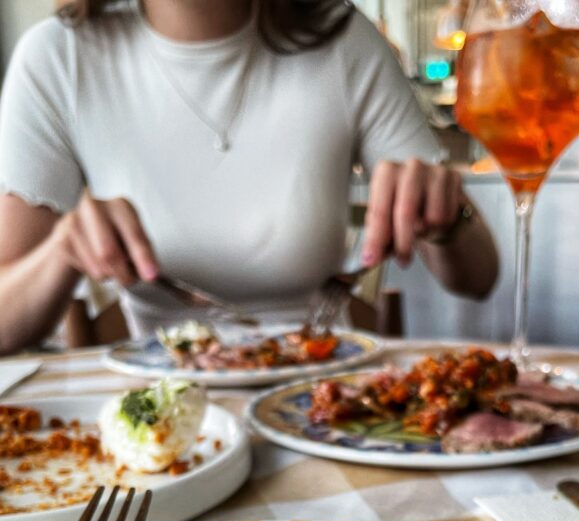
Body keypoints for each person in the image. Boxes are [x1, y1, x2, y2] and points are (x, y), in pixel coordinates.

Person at [0, 0, 499, 354]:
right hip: (166, 415)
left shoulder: (344, 39)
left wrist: (446, 216)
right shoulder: (58, 58)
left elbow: (479, 277)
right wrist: (60, 250)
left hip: (322, 394)